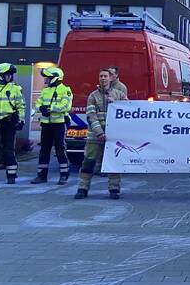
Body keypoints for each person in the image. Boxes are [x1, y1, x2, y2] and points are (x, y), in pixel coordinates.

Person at [75, 69, 122, 199]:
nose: (103, 78)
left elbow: (128, 111)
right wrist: (100, 133)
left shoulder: (119, 94)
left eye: (105, 76)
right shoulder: (92, 96)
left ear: (111, 78)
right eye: (101, 76)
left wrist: (117, 103)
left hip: (113, 137)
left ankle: (114, 189)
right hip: (94, 137)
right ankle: (82, 188)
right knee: (88, 162)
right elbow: (91, 116)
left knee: (113, 163)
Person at [31, 66, 73, 185]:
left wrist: (49, 109)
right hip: (46, 124)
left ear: (55, 78)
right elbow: (38, 103)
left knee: (60, 149)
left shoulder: (65, 90)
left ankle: (64, 175)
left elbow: (66, 106)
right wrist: (41, 108)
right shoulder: (45, 91)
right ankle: (41, 175)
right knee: (44, 149)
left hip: (59, 124)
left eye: (48, 78)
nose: (45, 80)